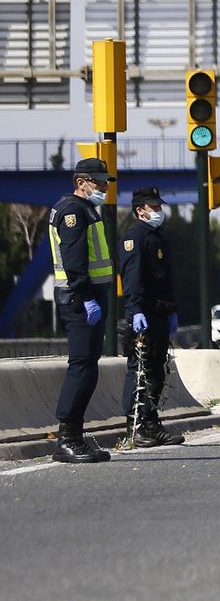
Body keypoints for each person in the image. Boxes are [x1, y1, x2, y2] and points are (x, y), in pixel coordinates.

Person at [46, 157, 117, 463]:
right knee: (82, 366)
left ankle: (75, 436)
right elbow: (74, 260)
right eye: (98, 182)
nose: (104, 187)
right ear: (81, 182)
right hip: (79, 299)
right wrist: (86, 297)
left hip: (89, 297)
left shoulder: (85, 208)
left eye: (105, 182)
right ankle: (67, 439)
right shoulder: (73, 211)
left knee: (88, 366)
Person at [119, 187, 185, 448]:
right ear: (140, 211)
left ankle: (150, 423)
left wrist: (172, 310)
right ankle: (136, 426)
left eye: (159, 207)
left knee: (156, 371)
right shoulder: (135, 238)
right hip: (144, 313)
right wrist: (135, 310)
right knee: (140, 370)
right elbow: (132, 278)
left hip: (160, 314)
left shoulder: (157, 237)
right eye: (154, 207)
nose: (159, 211)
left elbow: (165, 280)